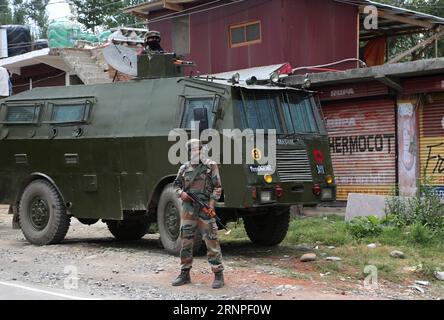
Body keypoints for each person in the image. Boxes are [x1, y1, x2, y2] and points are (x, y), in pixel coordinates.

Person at [172, 139, 225, 289]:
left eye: (199, 150)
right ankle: (184, 273)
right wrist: (180, 193)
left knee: (211, 240)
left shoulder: (210, 166)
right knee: (186, 241)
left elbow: (217, 187)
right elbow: (175, 185)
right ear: (189, 152)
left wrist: (211, 204)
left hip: (205, 209)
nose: (197, 152)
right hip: (188, 209)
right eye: (194, 150)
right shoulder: (184, 168)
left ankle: (218, 274)